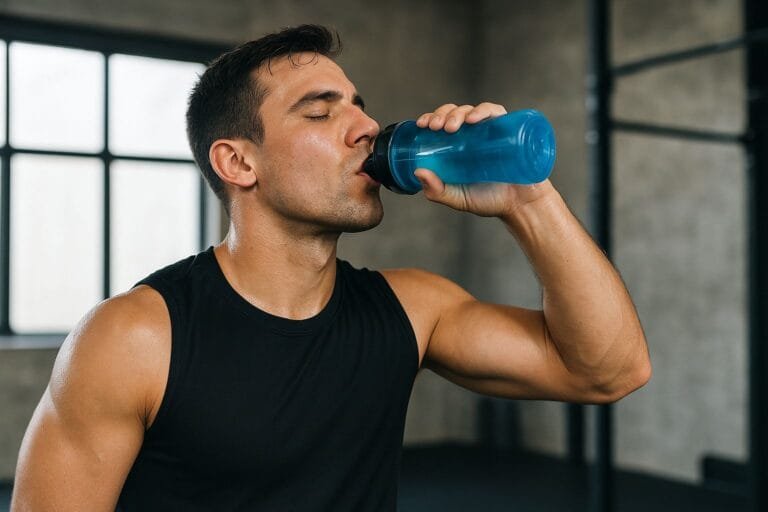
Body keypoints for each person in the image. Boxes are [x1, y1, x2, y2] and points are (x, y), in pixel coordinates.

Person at [11, 24, 651, 511]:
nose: (367, 127)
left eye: (358, 106)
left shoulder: (412, 308)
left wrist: (527, 200)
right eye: (320, 112)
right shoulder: (134, 338)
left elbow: (608, 371)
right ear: (238, 163)